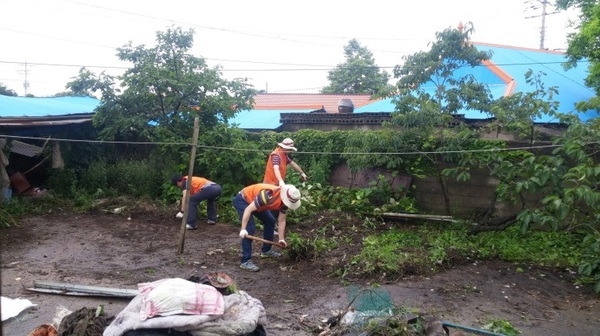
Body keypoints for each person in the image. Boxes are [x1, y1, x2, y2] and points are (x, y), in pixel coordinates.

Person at [233, 183, 302, 272]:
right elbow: (248, 209)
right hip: (243, 200)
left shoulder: (285, 202)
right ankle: (245, 261)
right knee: (249, 229)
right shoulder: (268, 195)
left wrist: (281, 239)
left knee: (270, 220)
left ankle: (266, 251)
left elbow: (281, 220)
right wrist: (243, 229)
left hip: (256, 204)